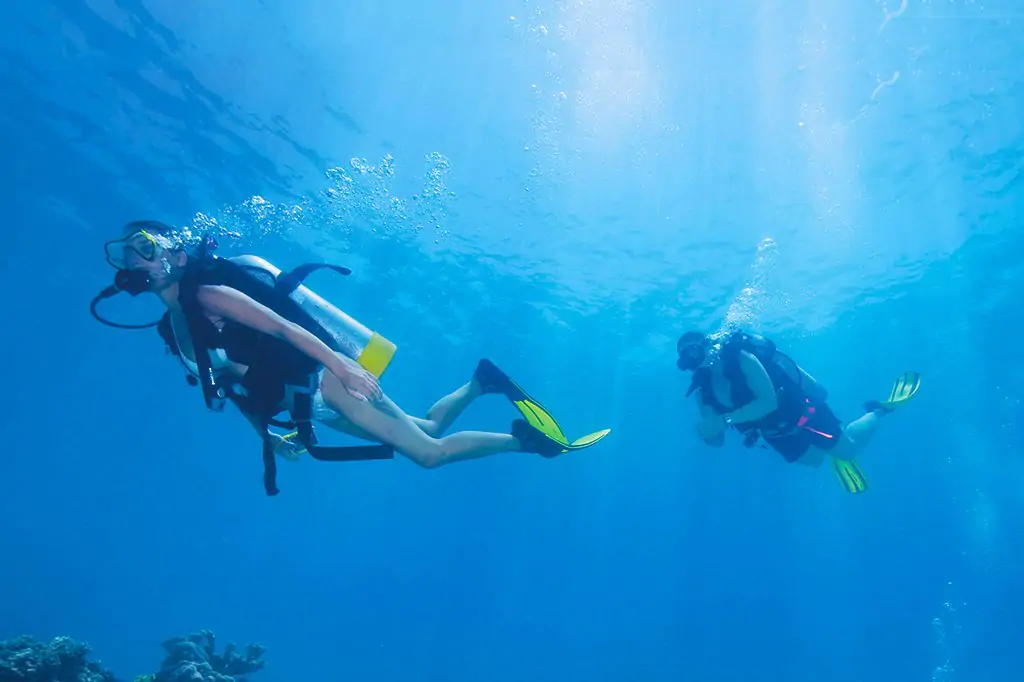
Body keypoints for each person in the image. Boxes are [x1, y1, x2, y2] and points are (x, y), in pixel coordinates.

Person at [91, 221, 610, 495]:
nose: (132, 259)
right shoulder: (174, 325)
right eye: (124, 252)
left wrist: (342, 366)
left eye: (143, 246)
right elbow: (230, 382)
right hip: (304, 404)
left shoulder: (204, 295)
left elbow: (280, 325)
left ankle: (530, 443)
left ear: (176, 254)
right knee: (428, 427)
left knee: (430, 455)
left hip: (324, 384)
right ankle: (480, 382)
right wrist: (266, 435)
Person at [675, 329, 920, 493]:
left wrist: (724, 419)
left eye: (693, 352)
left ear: (709, 346)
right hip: (774, 433)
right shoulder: (702, 392)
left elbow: (768, 402)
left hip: (802, 413)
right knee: (815, 461)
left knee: (848, 450)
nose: (692, 362)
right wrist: (707, 433)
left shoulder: (741, 359)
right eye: (685, 360)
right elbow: (715, 436)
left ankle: (877, 411)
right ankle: (831, 447)